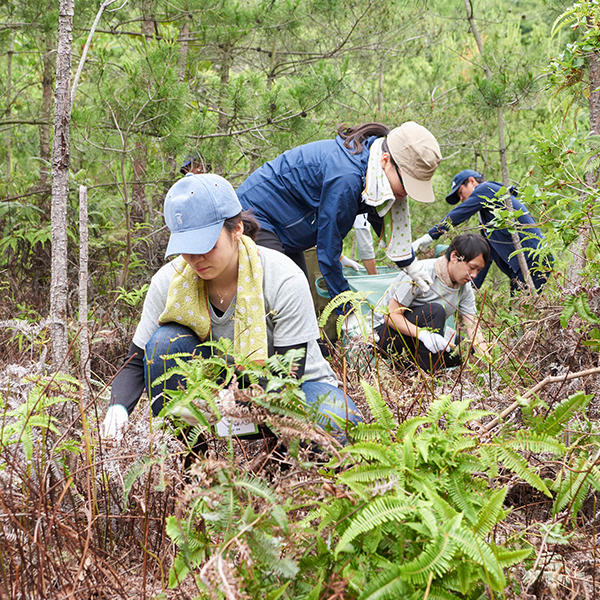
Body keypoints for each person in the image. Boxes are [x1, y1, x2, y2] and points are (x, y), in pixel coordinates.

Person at [102, 173, 362, 443]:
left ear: (237, 229)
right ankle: (191, 467)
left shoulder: (282, 278)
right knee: (164, 342)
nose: (195, 259)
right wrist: (117, 409)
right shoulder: (170, 281)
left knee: (338, 421)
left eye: (206, 245)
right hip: (214, 394)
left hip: (292, 391)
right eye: (185, 247)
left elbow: (288, 376)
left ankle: (285, 458)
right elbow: (135, 362)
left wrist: (227, 409)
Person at [236, 122, 443, 311]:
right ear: (386, 161)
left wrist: (409, 263)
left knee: (300, 300)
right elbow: (328, 248)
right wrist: (347, 311)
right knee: (281, 300)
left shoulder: (372, 171)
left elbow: (378, 214)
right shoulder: (347, 177)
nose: (406, 193)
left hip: (288, 228)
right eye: (406, 183)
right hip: (257, 216)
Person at [412, 170, 552, 292]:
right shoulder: (489, 215)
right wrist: (472, 288)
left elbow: (460, 213)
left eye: (461, 192)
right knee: (519, 309)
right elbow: (486, 256)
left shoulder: (486, 188)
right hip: (523, 266)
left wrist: (431, 235)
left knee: (522, 312)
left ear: (472, 181)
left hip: (534, 258)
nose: (462, 199)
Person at [375, 233, 490, 371]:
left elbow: (473, 326)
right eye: (472, 267)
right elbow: (390, 316)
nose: (474, 275)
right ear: (454, 257)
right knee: (435, 311)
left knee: (464, 348)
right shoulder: (420, 272)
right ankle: (427, 377)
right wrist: (423, 335)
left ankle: (410, 367)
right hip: (384, 335)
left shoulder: (464, 287)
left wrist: (485, 358)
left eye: (479, 270)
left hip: (421, 339)